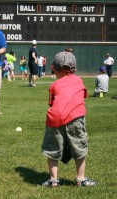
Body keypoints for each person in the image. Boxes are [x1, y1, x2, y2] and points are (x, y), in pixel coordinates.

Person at [41, 51, 96, 187]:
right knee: (79, 146)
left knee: (53, 149)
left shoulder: (53, 86)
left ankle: (53, 180)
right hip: (75, 117)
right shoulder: (79, 81)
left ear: (54, 69)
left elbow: (52, 104)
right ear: (75, 70)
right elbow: (79, 100)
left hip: (54, 118)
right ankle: (81, 179)